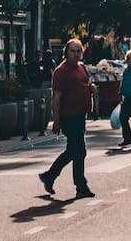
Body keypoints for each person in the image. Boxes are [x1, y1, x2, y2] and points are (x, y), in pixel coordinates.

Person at [39, 38, 96, 199]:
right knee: (80, 150)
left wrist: (90, 87)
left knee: (73, 150)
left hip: (80, 115)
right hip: (68, 116)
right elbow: (56, 97)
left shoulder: (81, 67)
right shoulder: (61, 71)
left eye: (79, 51)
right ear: (66, 52)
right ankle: (81, 185)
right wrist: (56, 120)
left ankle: (49, 176)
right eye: (73, 51)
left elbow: (85, 83)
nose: (76, 54)